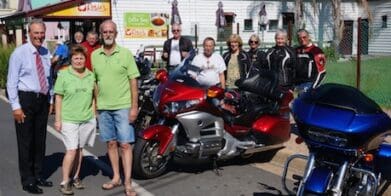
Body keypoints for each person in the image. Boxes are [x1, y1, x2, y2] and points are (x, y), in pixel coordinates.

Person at [91, 20, 139, 196]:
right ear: (101, 34)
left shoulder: (126, 54)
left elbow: (133, 81)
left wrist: (134, 107)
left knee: (125, 145)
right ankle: (116, 177)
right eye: (105, 32)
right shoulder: (95, 55)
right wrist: (95, 105)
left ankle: (127, 182)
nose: (108, 34)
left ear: (116, 34)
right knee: (111, 143)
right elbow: (94, 82)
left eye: (111, 31)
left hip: (123, 107)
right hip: (104, 107)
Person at [6, 19, 53, 194]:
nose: (39, 36)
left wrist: (50, 100)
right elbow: (11, 82)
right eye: (36, 33)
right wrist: (16, 107)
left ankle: (39, 174)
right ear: (29, 33)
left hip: (42, 99)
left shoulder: (46, 52)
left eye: (41, 33)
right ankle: (28, 180)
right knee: (26, 142)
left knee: (40, 140)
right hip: (25, 100)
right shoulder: (19, 53)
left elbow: (49, 78)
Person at [54, 45, 96, 195]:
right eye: (76, 58)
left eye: (81, 58)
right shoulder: (64, 75)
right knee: (71, 149)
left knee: (79, 149)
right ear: (71, 60)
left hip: (86, 118)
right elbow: (58, 97)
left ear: (85, 59)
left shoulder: (91, 75)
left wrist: (94, 114)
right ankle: (65, 181)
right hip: (69, 119)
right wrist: (58, 120)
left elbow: (94, 96)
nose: (79, 61)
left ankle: (76, 177)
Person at [295, 29, 326, 94]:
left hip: (310, 83)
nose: (302, 39)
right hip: (296, 84)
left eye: (304, 37)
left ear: (309, 37)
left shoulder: (316, 51)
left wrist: (313, 87)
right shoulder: (296, 50)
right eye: (299, 38)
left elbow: (322, 72)